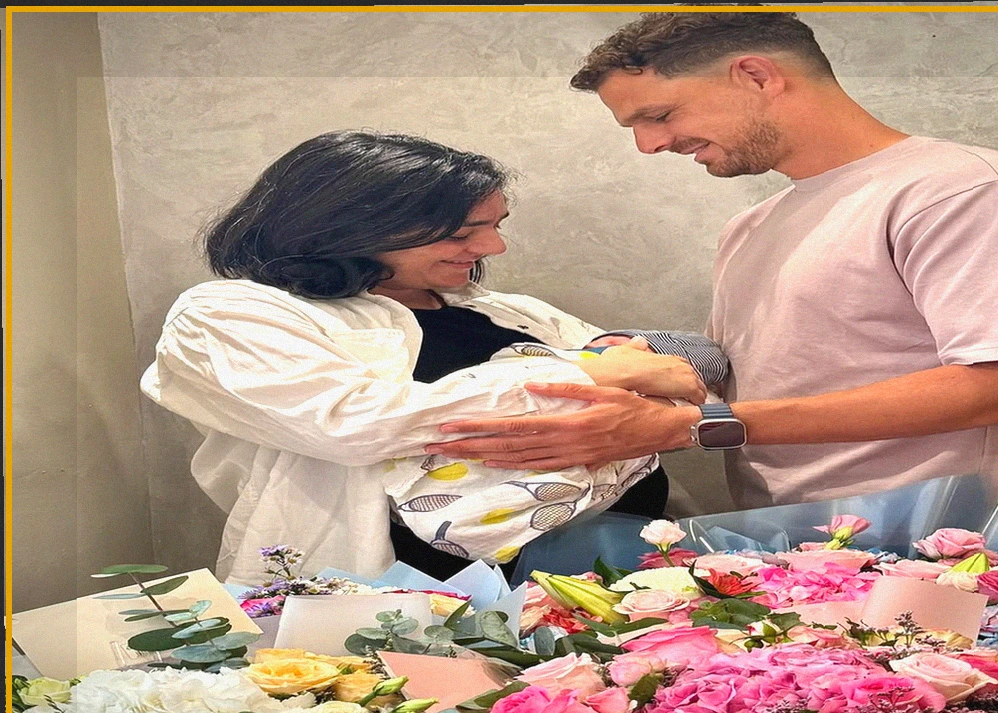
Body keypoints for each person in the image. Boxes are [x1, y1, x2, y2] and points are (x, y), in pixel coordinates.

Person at [430, 12, 998, 549]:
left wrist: (692, 428)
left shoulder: (970, 192)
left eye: (659, 115)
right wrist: (624, 360)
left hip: (956, 538)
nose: (650, 145)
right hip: (797, 534)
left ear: (756, 76)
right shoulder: (756, 223)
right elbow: (768, 368)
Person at [140, 130, 724, 585]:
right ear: (350, 228)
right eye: (463, 233)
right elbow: (352, 423)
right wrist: (582, 373)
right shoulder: (228, 315)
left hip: (618, 563)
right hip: (406, 591)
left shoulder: (509, 312)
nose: (493, 247)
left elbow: (682, 387)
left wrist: (640, 379)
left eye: (495, 226)